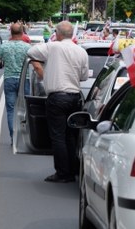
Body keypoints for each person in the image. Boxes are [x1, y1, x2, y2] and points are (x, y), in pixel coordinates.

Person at [27, 21, 89, 183]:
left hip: (57, 97)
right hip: (75, 97)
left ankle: (63, 172)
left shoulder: (53, 47)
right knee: (71, 136)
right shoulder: (81, 51)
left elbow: (31, 51)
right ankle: (73, 168)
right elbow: (83, 77)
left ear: (58, 34)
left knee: (58, 136)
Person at [0, 23, 31, 144]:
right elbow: (36, 64)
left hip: (9, 79)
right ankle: (25, 137)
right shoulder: (27, 47)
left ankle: (13, 137)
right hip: (25, 79)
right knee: (25, 108)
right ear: (22, 33)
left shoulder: (4, 46)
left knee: (10, 109)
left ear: (11, 33)